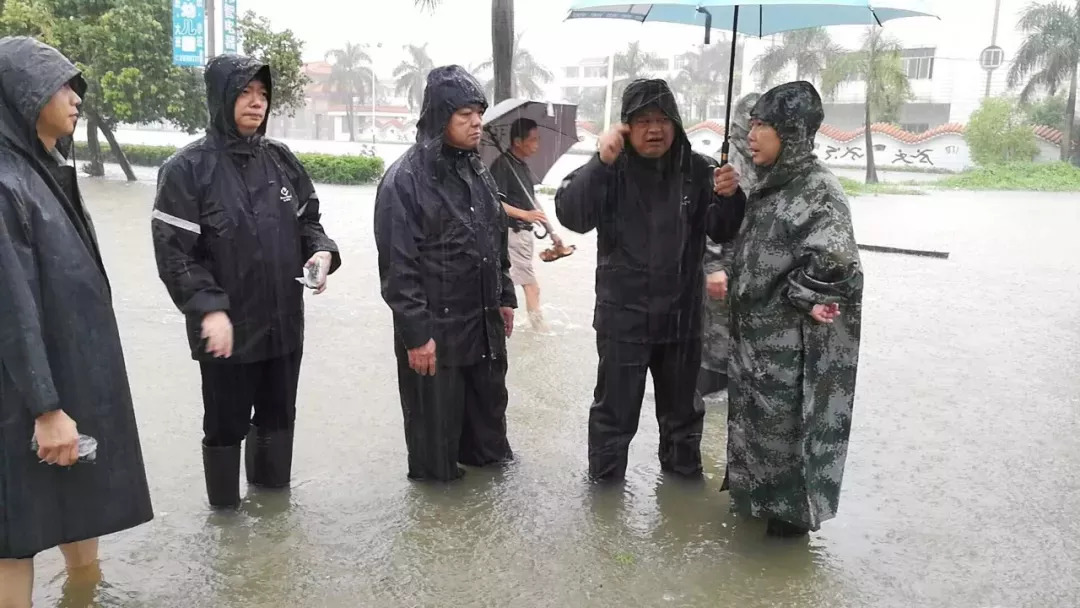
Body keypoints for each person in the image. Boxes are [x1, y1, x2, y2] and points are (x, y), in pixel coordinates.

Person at [0, 37, 153, 605]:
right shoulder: (5, 181)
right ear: (21, 94)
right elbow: (10, 306)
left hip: (69, 375)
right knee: (16, 533)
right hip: (24, 395)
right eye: (59, 86)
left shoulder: (46, 168)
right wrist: (45, 407)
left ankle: (83, 594)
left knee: (78, 504)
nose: (74, 97)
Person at [152, 54, 340, 509]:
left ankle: (273, 516)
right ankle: (226, 523)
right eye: (245, 93)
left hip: (283, 324)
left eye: (263, 95)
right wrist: (209, 308)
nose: (256, 103)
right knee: (224, 426)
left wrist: (322, 252)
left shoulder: (281, 160)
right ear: (221, 98)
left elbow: (309, 222)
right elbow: (175, 254)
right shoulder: (187, 168)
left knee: (278, 419)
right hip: (226, 330)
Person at [555, 79, 746, 481]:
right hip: (622, 319)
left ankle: (681, 493)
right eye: (643, 121)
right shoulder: (610, 168)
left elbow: (724, 229)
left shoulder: (699, 171)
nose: (654, 129)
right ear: (626, 127)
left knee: (683, 416)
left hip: (681, 322)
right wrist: (599, 161)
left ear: (676, 124)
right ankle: (604, 496)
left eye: (662, 119)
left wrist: (730, 196)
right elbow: (572, 215)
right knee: (613, 415)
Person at [723, 81, 863, 537]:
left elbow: (838, 265)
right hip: (755, 351)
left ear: (793, 133)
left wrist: (798, 297)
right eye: (753, 124)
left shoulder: (817, 190)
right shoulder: (769, 186)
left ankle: (786, 538)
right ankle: (757, 520)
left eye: (764, 126)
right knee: (757, 439)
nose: (751, 135)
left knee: (787, 445)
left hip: (789, 355)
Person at [374, 65, 517, 482]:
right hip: (434, 338)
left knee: (490, 450)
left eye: (479, 114)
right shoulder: (405, 180)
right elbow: (398, 269)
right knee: (436, 457)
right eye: (464, 115)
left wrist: (505, 297)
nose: (476, 123)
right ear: (441, 119)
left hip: (484, 331)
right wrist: (416, 335)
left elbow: (496, 239)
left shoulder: (479, 171)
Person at [699, 92, 761, 398]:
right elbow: (708, 220)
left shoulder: (762, 164)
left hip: (749, 276)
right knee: (715, 345)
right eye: (755, 122)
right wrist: (714, 267)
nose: (757, 131)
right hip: (723, 272)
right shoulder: (726, 164)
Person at [488, 117, 566, 330]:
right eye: (532, 140)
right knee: (531, 287)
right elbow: (494, 203)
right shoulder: (503, 165)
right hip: (512, 235)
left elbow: (534, 204)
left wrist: (553, 233)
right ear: (517, 141)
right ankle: (540, 333)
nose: (537, 144)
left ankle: (497, 323)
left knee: (507, 286)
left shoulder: (521, 166)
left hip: (523, 237)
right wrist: (525, 215)